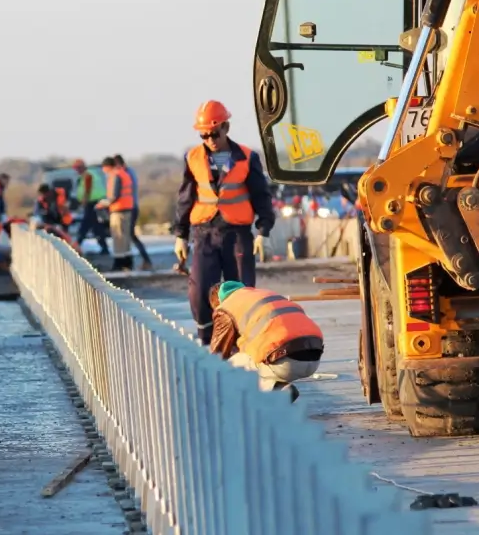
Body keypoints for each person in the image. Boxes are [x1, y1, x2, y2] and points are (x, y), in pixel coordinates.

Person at [173, 100, 276, 344]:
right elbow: (185, 198)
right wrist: (180, 235)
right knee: (199, 292)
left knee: (241, 292)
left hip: (237, 235)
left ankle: (239, 341)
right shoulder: (193, 158)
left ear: (226, 128)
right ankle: (207, 339)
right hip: (204, 233)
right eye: (204, 135)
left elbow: (261, 196)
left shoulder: (247, 157)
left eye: (214, 133)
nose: (210, 140)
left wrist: (264, 231)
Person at [208, 281, 324, 400]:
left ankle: (277, 389)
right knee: (257, 353)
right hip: (314, 358)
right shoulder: (264, 295)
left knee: (229, 364)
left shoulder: (225, 308)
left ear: (217, 302)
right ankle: (279, 388)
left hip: (285, 361)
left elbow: (217, 355)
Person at [112, 154, 153, 271]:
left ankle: (143, 261)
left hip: (129, 208)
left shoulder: (124, 174)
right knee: (130, 235)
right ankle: (139, 261)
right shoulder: (130, 172)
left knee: (130, 235)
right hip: (132, 207)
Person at [95, 156, 135, 270]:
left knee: (118, 236)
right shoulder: (124, 173)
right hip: (127, 208)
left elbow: (113, 196)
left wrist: (102, 203)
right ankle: (128, 261)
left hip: (118, 210)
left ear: (107, 167)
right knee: (125, 237)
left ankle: (119, 263)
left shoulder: (114, 176)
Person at [72, 159, 111, 255]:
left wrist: (84, 201)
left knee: (85, 225)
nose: (76, 171)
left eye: (77, 168)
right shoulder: (89, 174)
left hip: (92, 203)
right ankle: (104, 247)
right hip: (95, 202)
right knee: (96, 227)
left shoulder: (87, 175)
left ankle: (77, 244)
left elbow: (87, 189)